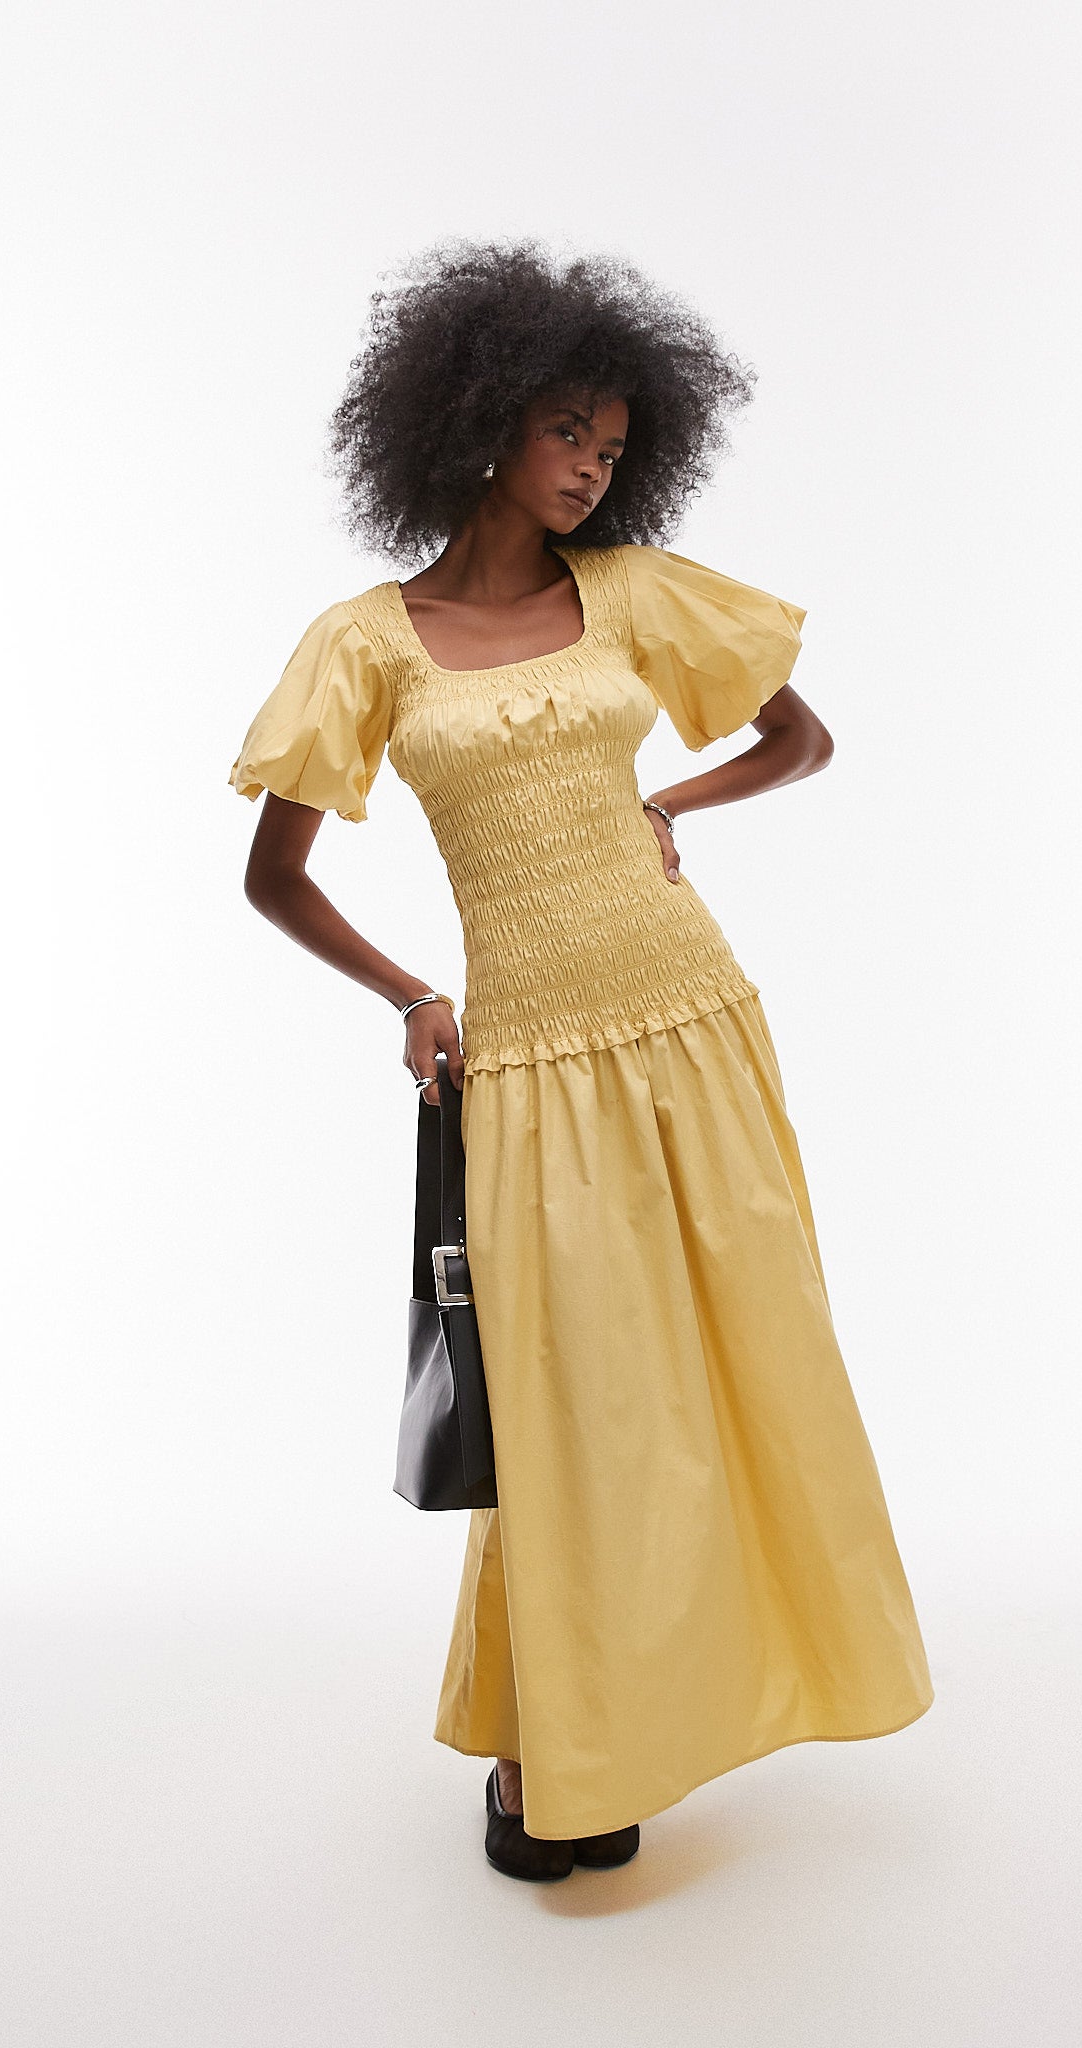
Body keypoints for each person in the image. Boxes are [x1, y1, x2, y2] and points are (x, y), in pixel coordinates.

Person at [230, 240, 933, 1883]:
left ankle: (662, 1721)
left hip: (692, 1023)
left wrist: (666, 801)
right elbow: (273, 878)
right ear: (478, 422)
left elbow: (799, 740)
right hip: (529, 1065)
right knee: (571, 1410)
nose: (592, 468)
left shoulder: (630, 593)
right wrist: (410, 995)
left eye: (613, 445)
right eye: (566, 432)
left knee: (737, 1370)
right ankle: (556, 1742)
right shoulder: (367, 643)